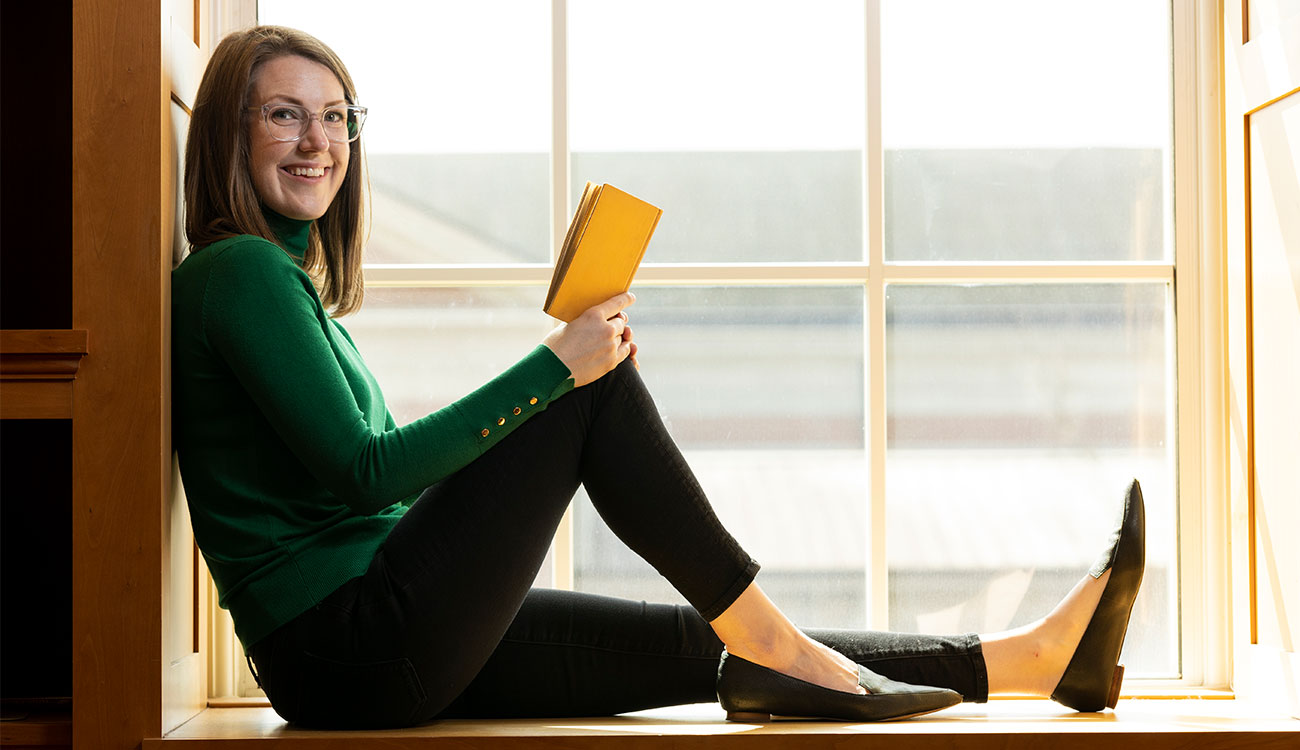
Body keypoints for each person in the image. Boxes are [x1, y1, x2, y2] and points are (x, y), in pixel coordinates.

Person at [172, 25, 1146, 730]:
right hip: (354, 646)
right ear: (230, 131)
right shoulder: (238, 270)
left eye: (335, 116)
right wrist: (552, 369)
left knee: (703, 645)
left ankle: (1029, 660)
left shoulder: (281, 284)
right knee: (585, 393)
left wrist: (550, 377)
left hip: (370, 645)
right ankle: (772, 636)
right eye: (284, 115)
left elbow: (362, 482)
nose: (318, 141)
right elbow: (367, 474)